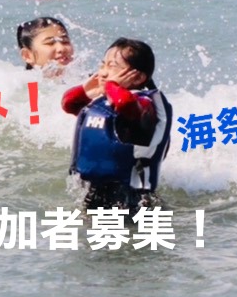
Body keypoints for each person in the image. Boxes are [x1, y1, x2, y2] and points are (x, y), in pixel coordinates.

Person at [62, 38, 172, 214]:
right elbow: (69, 104)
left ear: (138, 77)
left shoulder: (145, 103)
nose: (103, 72)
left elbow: (125, 104)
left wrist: (112, 86)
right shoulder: (104, 101)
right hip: (95, 192)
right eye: (102, 65)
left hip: (132, 199)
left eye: (112, 66)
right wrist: (87, 89)